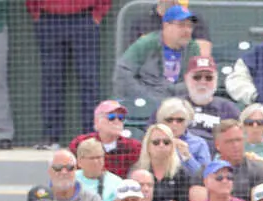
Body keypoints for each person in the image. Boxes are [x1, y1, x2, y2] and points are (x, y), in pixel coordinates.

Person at [30, 0, 105, 149]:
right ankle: (50, 137)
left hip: (84, 18)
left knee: (88, 80)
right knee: (51, 80)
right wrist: (36, 11)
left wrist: (98, 13)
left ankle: (91, 136)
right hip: (49, 19)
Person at [114, 7, 202, 104]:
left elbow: (198, 78)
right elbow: (123, 73)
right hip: (146, 103)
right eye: (181, 25)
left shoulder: (192, 48)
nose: (187, 30)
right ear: (166, 25)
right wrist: (147, 99)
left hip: (180, 104)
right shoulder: (146, 44)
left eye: (190, 26)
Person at [175, 56, 240, 148]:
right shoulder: (173, 107)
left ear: (216, 80)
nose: (203, 82)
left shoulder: (229, 109)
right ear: (186, 78)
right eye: (197, 77)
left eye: (209, 77)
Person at [135, 123, 198, 201]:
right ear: (147, 146)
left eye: (166, 142)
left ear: (172, 146)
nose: (161, 145)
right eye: (156, 142)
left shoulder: (182, 173)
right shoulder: (137, 172)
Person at [71, 100, 142, 178]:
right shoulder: (79, 143)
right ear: (97, 121)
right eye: (111, 117)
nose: (117, 121)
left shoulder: (134, 147)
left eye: (121, 118)